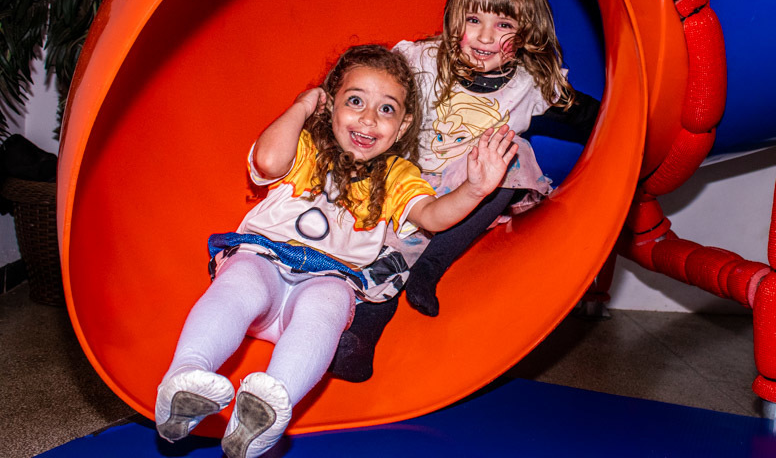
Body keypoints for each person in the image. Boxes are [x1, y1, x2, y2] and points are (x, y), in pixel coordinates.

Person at [154, 44, 518, 458]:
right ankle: (184, 378)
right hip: (266, 261)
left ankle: (267, 410)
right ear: (331, 108)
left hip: (329, 278)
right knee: (242, 281)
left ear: (402, 127)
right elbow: (269, 161)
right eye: (355, 101)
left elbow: (432, 217)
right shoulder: (308, 147)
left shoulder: (398, 175)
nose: (367, 118)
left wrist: (474, 188)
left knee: (328, 303)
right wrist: (303, 105)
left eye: (386, 109)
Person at [331, 0, 600, 382]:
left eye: (504, 25)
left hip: (473, 190)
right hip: (408, 186)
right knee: (384, 259)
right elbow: (364, 85)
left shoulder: (532, 84)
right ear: (455, 16)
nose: (485, 37)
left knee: (513, 151)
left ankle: (432, 266)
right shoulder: (421, 60)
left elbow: (595, 118)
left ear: (526, 31)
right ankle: (359, 340)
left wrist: (637, 128)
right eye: (473, 19)